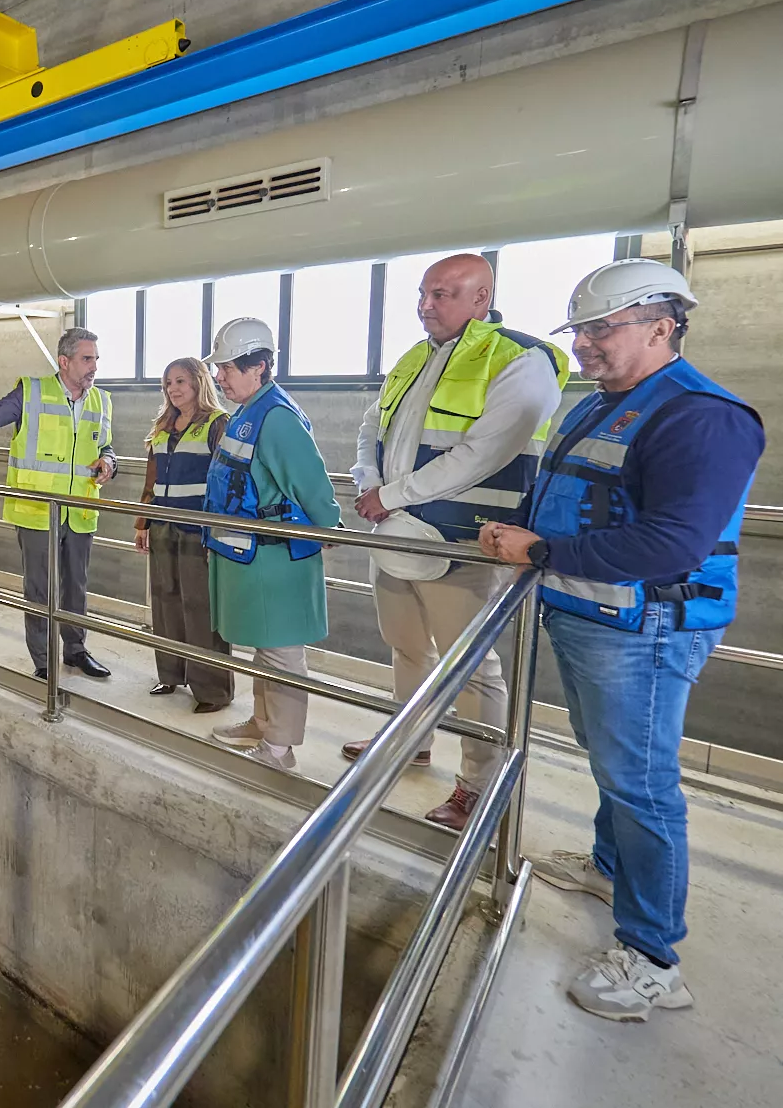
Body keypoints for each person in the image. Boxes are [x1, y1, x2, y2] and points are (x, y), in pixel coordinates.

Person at [480, 258, 763, 1022]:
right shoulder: (603, 404)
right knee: (612, 757)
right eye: (581, 330)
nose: (585, 345)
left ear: (663, 324)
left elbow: (671, 543)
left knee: (640, 781)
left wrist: (538, 553)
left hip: (643, 627)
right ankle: (611, 868)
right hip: (587, 614)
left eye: (603, 328)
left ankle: (652, 955)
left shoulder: (702, 415)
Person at [346, 253, 567, 829]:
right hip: (395, 535)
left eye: (442, 294)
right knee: (406, 646)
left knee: (471, 668)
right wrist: (368, 483)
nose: (426, 305)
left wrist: (390, 495)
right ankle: (410, 740)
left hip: (462, 543)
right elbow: (372, 427)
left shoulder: (520, 359)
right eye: (423, 293)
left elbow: (483, 453)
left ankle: (479, 782)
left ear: (481, 297)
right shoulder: (415, 358)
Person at [201, 318, 342, 770]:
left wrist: (327, 527)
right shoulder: (249, 410)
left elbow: (311, 483)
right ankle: (262, 723)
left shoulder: (277, 418)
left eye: (226, 369)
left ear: (259, 366)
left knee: (281, 650)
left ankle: (279, 748)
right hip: (251, 552)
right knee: (266, 645)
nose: (218, 378)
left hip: (277, 554)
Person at [0, 326, 117, 681]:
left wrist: (109, 463)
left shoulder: (101, 400)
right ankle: (43, 659)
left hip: (80, 510)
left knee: (77, 587)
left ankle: (76, 650)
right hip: (38, 510)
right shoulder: (33, 391)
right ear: (64, 361)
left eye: (96, 359)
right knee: (40, 589)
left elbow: (106, 447)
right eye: (87, 359)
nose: (94, 367)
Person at [134, 358, 235, 712]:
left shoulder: (218, 424)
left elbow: (226, 481)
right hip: (163, 526)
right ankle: (171, 674)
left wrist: (219, 531)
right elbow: (152, 480)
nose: (173, 389)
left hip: (198, 530)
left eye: (180, 381)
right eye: (168, 384)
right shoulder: (163, 426)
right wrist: (142, 523)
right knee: (165, 602)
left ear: (198, 382)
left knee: (201, 609)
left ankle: (212, 691)